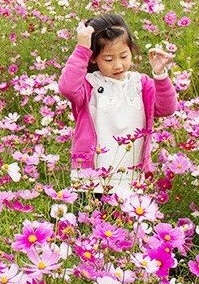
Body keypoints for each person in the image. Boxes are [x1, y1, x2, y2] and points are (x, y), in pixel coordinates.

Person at [58, 13, 177, 197]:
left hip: (131, 175)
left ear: (131, 50)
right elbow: (67, 87)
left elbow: (166, 108)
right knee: (89, 223)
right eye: (108, 59)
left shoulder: (140, 84)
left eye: (123, 55)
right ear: (93, 58)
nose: (118, 65)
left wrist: (160, 74)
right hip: (92, 180)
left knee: (127, 224)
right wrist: (82, 48)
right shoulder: (89, 86)